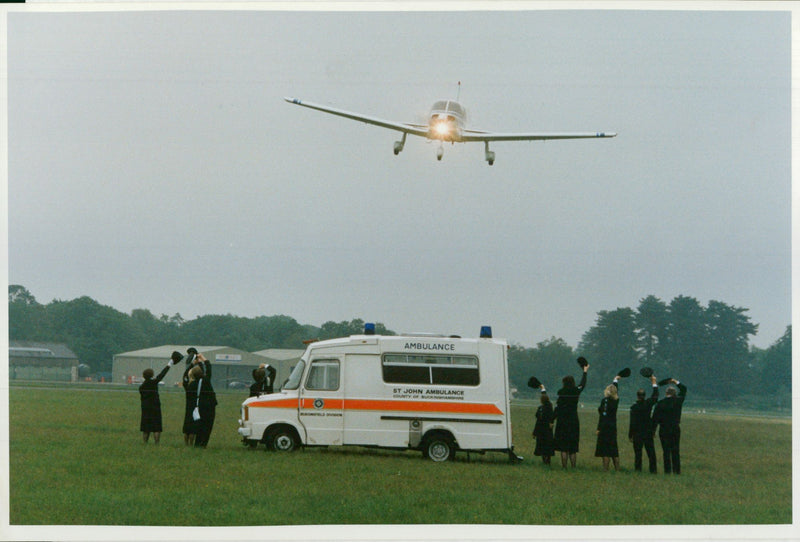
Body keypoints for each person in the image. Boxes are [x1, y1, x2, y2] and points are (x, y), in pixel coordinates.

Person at [553, 359, 589, 468]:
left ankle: (564, 466)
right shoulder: (576, 391)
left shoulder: (561, 392)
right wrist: (585, 372)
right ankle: (573, 466)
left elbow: (558, 407)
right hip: (573, 420)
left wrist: (552, 418)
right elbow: (582, 384)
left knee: (563, 447)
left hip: (562, 421)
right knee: (572, 447)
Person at [139, 351, 181, 444]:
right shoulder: (154, 383)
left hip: (145, 408)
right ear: (152, 375)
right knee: (156, 427)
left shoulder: (141, 387)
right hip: (155, 407)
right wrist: (169, 365)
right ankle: (156, 443)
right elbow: (162, 375)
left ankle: (144, 442)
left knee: (146, 427)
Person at [652, 378, 687, 474]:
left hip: (663, 429)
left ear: (666, 393)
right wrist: (674, 381)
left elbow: (655, 419)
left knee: (666, 451)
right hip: (675, 428)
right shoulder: (678, 401)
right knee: (675, 450)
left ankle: (667, 471)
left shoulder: (660, 404)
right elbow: (684, 389)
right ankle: (677, 471)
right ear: (675, 393)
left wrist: (653, 431)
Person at [628, 375, 659, 473]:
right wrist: (654, 383)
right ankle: (653, 471)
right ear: (645, 396)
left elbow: (632, 422)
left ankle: (638, 470)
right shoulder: (648, 404)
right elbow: (655, 395)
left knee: (638, 453)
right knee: (651, 453)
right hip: (648, 431)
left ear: (637, 396)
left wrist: (630, 434)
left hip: (637, 433)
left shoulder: (634, 407)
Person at [189, 353, 218, 448]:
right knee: (208, 425)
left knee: (200, 426)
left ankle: (197, 443)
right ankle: (204, 443)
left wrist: (195, 364)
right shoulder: (206, 381)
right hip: (209, 406)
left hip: (199, 406)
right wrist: (202, 358)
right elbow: (209, 368)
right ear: (202, 373)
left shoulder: (192, 385)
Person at [594, 377, 621, 471]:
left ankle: (605, 468)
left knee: (605, 450)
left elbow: (602, 416)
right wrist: (616, 381)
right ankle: (617, 468)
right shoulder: (616, 401)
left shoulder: (604, 401)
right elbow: (615, 391)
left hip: (604, 427)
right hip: (613, 427)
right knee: (614, 449)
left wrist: (599, 428)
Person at [181, 348, 202, 446]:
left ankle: (186, 444)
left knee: (187, 427)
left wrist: (192, 364)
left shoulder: (187, 385)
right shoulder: (199, 384)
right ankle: (192, 443)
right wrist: (200, 363)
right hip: (196, 406)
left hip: (188, 406)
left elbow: (184, 375)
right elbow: (203, 375)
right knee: (193, 427)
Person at [532, 383, 555, 465]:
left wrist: (534, 432)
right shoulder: (549, 406)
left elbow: (537, 422)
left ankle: (544, 460)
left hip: (540, 430)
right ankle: (548, 460)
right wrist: (543, 389)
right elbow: (546, 399)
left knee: (541, 446)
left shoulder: (540, 409)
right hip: (547, 430)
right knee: (548, 446)